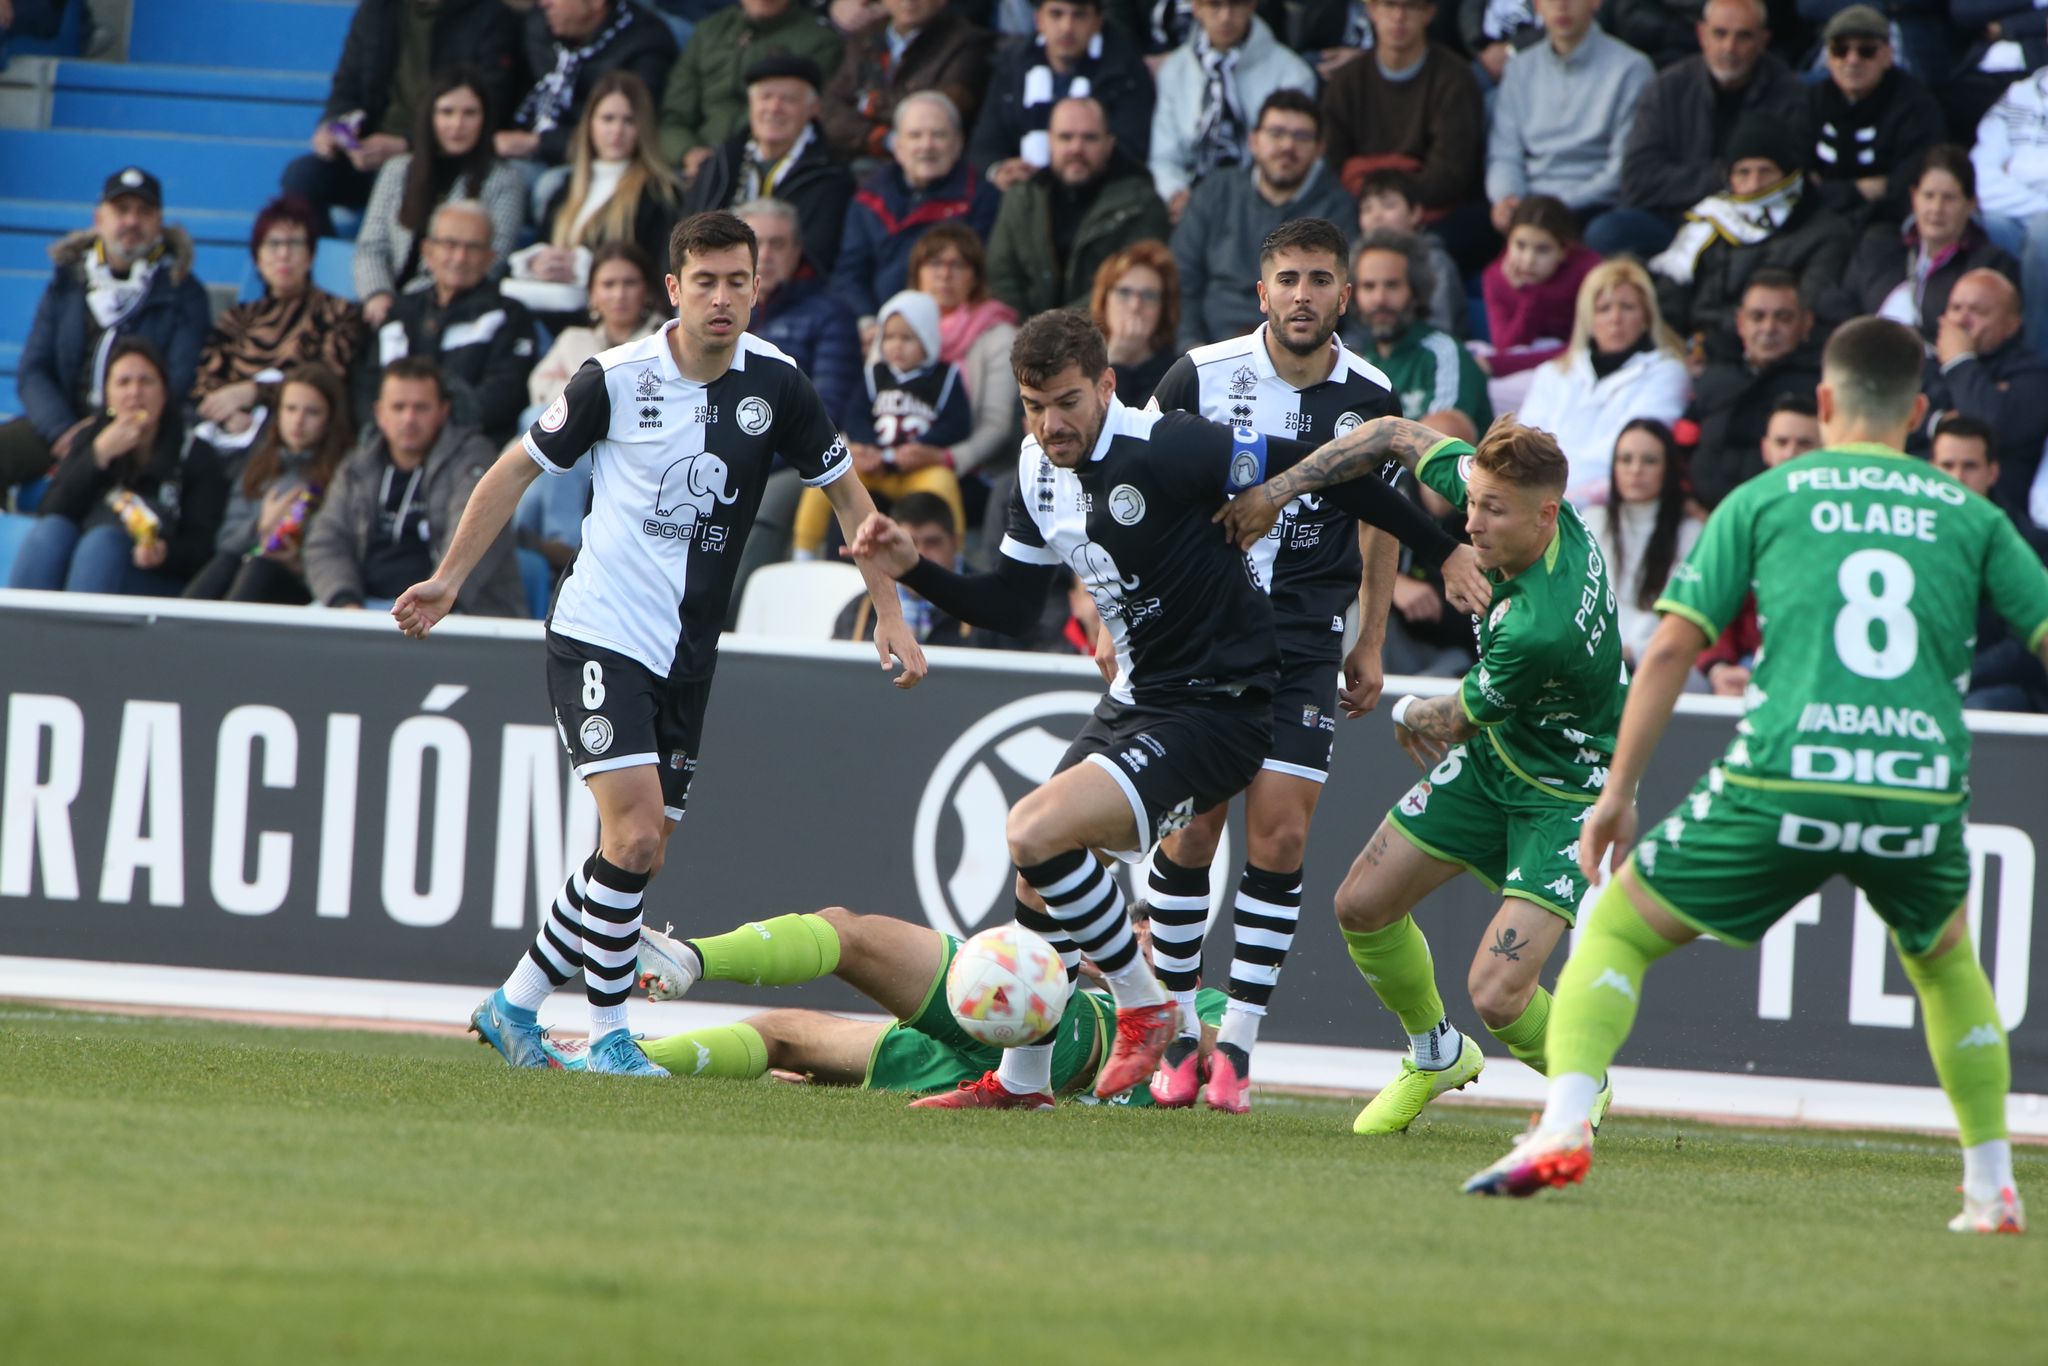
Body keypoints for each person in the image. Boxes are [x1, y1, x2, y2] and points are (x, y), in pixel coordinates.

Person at [1465, 319, 2048, 1239]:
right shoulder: (1971, 513)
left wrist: (1617, 793)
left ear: (1822, 404)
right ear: (1922, 412)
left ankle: (1563, 1127)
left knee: (1614, 929)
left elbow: (1669, 651)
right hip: (1917, 789)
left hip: (1784, 777)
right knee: (1946, 965)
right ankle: (1991, 1188)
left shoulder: (1770, 496)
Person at [849, 308, 1476, 1108]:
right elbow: (1009, 604)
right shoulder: (1034, 471)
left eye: (1068, 401)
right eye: (1035, 405)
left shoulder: (1175, 445)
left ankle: (1146, 1003)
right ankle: (1024, 1082)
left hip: (1223, 710)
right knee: (1038, 880)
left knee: (1034, 830)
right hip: (1139, 699)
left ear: (1108, 386)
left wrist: (1444, 544)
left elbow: (1336, 473)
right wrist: (915, 569)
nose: (1051, 423)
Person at [406, 211, 926, 1077]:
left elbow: (850, 501)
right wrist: (451, 577)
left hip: (689, 655)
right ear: (674, 290)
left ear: (759, 288)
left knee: (631, 849)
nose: (722, 299)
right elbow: (514, 468)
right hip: (601, 632)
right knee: (638, 836)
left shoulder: (781, 385)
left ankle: (515, 1003)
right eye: (705, 282)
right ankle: (612, 1036)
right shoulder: (613, 378)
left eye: (738, 281)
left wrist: (892, 613)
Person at [1141, 218, 1491, 1109]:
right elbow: (1137, 487)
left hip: (1303, 638)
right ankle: (1181, 1032)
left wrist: (1370, 635)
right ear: (1262, 293)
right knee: (1192, 831)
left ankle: (1241, 1048)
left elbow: (1377, 520)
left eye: (1320, 280)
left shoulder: (1370, 392)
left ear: (1344, 296)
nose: (1303, 294)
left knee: (1283, 835)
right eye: (1287, 279)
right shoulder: (1200, 374)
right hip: (1201, 632)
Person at [1216, 412, 1626, 1137]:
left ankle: (1582, 1078)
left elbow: (1453, 720)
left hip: (1566, 792)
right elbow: (1387, 435)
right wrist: (1278, 490)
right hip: (1501, 759)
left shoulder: (1540, 624)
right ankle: (1435, 1051)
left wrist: (1405, 709)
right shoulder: (1506, 495)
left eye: (1492, 512)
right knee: (1360, 905)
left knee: (1498, 993)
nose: (1471, 525)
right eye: (1472, 502)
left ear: (1547, 515)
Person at [562, 906, 1227, 1104]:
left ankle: (693, 959)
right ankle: (620, 1057)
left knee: (844, 932)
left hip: (1074, 1039)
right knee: (782, 1038)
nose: (1136, 945)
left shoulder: (1197, 1001)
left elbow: (1214, 1058)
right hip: (975, 1070)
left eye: (1149, 936)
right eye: (1129, 933)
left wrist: (1141, 991)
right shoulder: (1073, 975)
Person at [2, 167, 211, 498]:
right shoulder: (67, 283)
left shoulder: (182, 292)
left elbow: (179, 379)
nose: (131, 221)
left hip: (140, 434)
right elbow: (33, 369)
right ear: (99, 218)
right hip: (65, 424)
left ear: (159, 223)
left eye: (143, 212)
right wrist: (64, 429)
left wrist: (108, 431)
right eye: (121, 210)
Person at [282, 0, 521, 240]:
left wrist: (406, 144)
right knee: (302, 175)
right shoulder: (376, 10)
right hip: (368, 152)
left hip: (438, 158)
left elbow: (490, 106)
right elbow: (347, 83)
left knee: (402, 180)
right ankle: (318, 266)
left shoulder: (489, 16)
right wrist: (335, 126)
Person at [7, 339, 226, 596]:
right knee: (51, 532)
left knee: (103, 544)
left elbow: (203, 550)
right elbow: (52, 510)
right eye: (123, 383)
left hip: (158, 580)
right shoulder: (91, 438)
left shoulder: (195, 453)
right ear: (108, 397)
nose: (135, 392)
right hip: (89, 568)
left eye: (146, 381)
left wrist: (165, 553)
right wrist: (98, 456)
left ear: (164, 392)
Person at [306, 357, 521, 614]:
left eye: (421, 408)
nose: (409, 418)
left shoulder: (474, 459)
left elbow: (476, 537)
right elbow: (325, 540)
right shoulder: (356, 466)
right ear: (380, 414)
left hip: (450, 612)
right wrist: (346, 603)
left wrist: (427, 608)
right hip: (362, 607)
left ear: (444, 411)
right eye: (398, 407)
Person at [1607, 0, 1805, 262]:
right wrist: (1724, 178)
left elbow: (1790, 180)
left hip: (1755, 225)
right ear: (1701, 34)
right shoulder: (1667, 88)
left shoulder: (1789, 93)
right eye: (1720, 33)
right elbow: (1637, 179)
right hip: (1671, 219)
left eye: (1743, 36)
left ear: (1763, 40)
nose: (1729, 48)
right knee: (1609, 231)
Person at [517, 242, 666, 570]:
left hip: (625, 452)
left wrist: (572, 389)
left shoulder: (663, 341)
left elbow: (635, 406)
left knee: (551, 433)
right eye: (609, 285)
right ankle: (537, 543)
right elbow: (537, 390)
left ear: (649, 290)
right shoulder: (572, 338)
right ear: (593, 295)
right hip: (574, 448)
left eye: (630, 283)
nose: (619, 294)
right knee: (539, 423)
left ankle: (549, 540)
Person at [792, 289, 972, 556]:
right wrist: (868, 446)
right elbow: (856, 416)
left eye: (907, 338)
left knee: (943, 483)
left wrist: (925, 447)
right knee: (826, 474)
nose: (897, 345)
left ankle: (955, 553)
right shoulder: (874, 374)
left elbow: (958, 422)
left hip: (917, 468)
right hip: (873, 466)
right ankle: (804, 550)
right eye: (889, 337)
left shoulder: (946, 377)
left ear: (928, 339)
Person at [1173, 91, 1357, 351]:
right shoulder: (1215, 192)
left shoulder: (1338, 207)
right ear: (1254, 141)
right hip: (1214, 346)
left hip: (1305, 352)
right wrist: (1190, 346)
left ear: (1319, 149)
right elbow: (1182, 279)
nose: (1287, 146)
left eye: (1301, 137)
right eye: (1276, 133)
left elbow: (1354, 290)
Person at [1648, 117, 1856, 342]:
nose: (1755, 184)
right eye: (1743, 172)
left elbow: (1807, 311)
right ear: (1729, 178)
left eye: (1765, 171)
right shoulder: (1708, 222)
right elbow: (1670, 297)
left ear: (1788, 174)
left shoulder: (1824, 234)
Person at [353, 69, 527, 329]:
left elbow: (493, 259)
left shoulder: (504, 179)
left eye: (470, 113)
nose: (457, 124)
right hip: (387, 305)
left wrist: (413, 304)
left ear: (485, 118)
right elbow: (371, 247)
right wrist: (378, 295)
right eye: (447, 112)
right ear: (429, 116)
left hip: (457, 308)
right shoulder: (398, 170)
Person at [356, 201, 541, 445]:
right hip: (392, 446)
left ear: (490, 257)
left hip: (469, 450)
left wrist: (424, 427)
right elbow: (368, 387)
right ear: (427, 251)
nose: (460, 257)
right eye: (450, 244)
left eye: (473, 247)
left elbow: (504, 396)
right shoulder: (400, 311)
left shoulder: (510, 315)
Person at [510, 71, 682, 329]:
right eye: (608, 119)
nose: (616, 130)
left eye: (628, 121)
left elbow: (656, 270)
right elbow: (544, 242)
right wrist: (539, 262)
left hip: (618, 327)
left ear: (642, 127)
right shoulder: (564, 189)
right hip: (553, 313)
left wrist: (584, 267)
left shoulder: (658, 193)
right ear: (590, 124)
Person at [190, 197, 363, 451]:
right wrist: (228, 415)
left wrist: (255, 392)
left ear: (311, 255)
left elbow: (328, 382)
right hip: (231, 433)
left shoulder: (338, 313)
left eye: (294, 244)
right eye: (273, 244)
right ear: (257, 257)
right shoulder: (238, 318)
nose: (283, 254)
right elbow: (205, 382)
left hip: (303, 441)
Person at [1516, 258, 1691, 507]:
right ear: (1588, 318)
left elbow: (1633, 450)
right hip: (1538, 500)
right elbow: (1524, 446)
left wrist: (1560, 500)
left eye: (1627, 307)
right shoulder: (1551, 373)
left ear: (1646, 316)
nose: (1615, 318)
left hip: (1611, 504)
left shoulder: (1668, 372)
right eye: (1603, 308)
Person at [830, 92, 1002, 337]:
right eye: (915, 135)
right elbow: (849, 274)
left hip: (956, 332)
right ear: (897, 146)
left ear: (958, 143)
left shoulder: (982, 198)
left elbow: (985, 275)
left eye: (938, 135)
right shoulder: (868, 198)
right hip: (877, 330)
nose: (926, 145)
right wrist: (867, 321)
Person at [986, 97, 1172, 319]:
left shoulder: (1141, 203)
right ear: (1049, 142)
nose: (1076, 148)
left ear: (1109, 143)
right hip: (1023, 334)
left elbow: (1130, 281)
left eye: (1089, 138)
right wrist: (1028, 333)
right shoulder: (1022, 197)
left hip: (1107, 334)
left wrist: (1058, 329)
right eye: (1066, 137)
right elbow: (1001, 276)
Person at [1485, 0, 1654, 244]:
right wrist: (1508, 197)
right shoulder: (1519, 69)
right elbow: (1504, 153)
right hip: (1526, 205)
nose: (1562, 5)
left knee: (1603, 233)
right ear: (1536, 5)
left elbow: (1621, 170)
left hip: (1592, 206)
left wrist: (1550, 208)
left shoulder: (1631, 69)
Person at [182, 366, 354, 605]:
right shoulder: (261, 462)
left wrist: (297, 560)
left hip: (302, 583)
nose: (298, 421)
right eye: (291, 409)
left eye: (312, 412)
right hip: (244, 567)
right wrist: (261, 527)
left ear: (330, 419)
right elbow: (226, 538)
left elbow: (336, 546)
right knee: (224, 564)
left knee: (258, 568)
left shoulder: (342, 473)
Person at [676, 54, 857, 273]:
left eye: (788, 99)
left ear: (814, 108)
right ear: (751, 104)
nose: (774, 107)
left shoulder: (831, 176)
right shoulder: (721, 162)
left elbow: (817, 260)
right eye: (765, 97)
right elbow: (681, 238)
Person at [1692, 394, 1817, 696]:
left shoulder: (1845, 523)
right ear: (1765, 449)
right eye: (1782, 442)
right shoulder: (1740, 516)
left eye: (1804, 444)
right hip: (1738, 669)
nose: (1790, 454)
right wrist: (1719, 667)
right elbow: (1711, 606)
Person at [1317, 0, 1484, 225]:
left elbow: (1449, 176)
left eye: (1411, 6)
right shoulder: (1347, 81)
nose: (1399, 16)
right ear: (1371, 10)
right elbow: (1333, 164)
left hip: (1431, 215)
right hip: (1357, 210)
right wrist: (1400, 177)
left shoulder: (1455, 80)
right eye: (1389, 5)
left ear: (1429, 13)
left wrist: (1383, 194)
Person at [1147, 0, 1316, 218]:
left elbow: (1296, 157)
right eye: (1214, 5)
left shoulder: (1293, 73)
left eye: (1236, 4)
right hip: (1190, 204)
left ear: (1252, 5)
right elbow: (1165, 157)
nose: (1226, 16)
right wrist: (1175, 193)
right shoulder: (1174, 70)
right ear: (1197, 8)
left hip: (1265, 204)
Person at [1929, 415, 2048, 714]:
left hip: (2000, 690)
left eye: (1969, 466)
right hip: (1929, 680)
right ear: (1931, 470)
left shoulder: (2032, 544)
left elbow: (2024, 651)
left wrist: (1958, 678)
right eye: (1947, 466)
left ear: (1992, 472)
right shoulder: (1910, 538)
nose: (1957, 478)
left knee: (1977, 707)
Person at [969, 0, 1154, 189]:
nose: (1067, 27)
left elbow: (1132, 149)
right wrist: (1000, 170)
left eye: (1079, 15)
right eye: (1056, 14)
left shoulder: (1125, 68)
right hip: (1023, 195)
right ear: (1038, 19)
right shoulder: (1012, 65)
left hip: (1100, 193)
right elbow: (985, 142)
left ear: (1097, 22)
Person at [1843, 146, 2020, 342]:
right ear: (1914, 197)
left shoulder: (1990, 266)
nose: (1936, 208)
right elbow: (1843, 306)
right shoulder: (1878, 245)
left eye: (1949, 198)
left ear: (1971, 204)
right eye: (1928, 196)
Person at [1683, 268, 1822, 509]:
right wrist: (1684, 500)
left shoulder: (1821, 386)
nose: (1769, 328)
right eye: (1757, 317)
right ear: (1740, 323)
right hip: (1698, 519)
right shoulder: (1713, 378)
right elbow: (1680, 443)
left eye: (1783, 317)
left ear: (1806, 322)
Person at [658, 0, 845, 174]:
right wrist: (689, 152)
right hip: (697, 165)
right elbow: (674, 116)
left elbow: (802, 117)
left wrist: (727, 160)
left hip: (771, 162)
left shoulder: (820, 41)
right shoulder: (709, 31)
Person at [1918, 268, 2048, 510]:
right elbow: (1901, 422)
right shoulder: (1926, 366)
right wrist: (1938, 422)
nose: (1962, 320)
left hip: (2001, 518)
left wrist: (1960, 361)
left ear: (2011, 326)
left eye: (1978, 311)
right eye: (1955, 308)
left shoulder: (2033, 374)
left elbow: (1991, 427)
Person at [1343, 229, 1491, 440]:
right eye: (1368, 286)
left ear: (1415, 290)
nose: (1379, 299)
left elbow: (1445, 437)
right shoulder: (1358, 362)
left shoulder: (1444, 352)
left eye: (1392, 285)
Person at [498, 0, 679, 171]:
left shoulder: (645, 43)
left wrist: (539, 143)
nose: (544, 3)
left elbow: (632, 130)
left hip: (592, 161)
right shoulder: (540, 25)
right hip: (522, 147)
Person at [1803, 6, 1943, 226]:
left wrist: (1826, 189)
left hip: (1887, 224)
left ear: (1887, 55)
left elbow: (1907, 186)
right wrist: (1860, 189)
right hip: (1815, 220)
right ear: (1828, 57)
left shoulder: (1916, 107)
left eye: (1866, 51)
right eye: (1841, 50)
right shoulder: (1809, 100)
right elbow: (1794, 180)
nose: (1852, 60)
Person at [906, 224, 1021, 485]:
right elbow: (867, 402)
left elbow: (996, 426)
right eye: (934, 263)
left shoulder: (1000, 336)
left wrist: (946, 458)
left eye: (958, 265)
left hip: (969, 471)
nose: (945, 274)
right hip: (892, 460)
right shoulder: (897, 325)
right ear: (917, 273)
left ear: (976, 277)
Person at [1581, 419, 1701, 667]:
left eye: (1649, 460)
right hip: (1591, 663)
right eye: (1625, 459)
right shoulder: (1591, 522)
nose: (1635, 469)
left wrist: (1633, 652)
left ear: (1668, 468)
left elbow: (1687, 619)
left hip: (1657, 664)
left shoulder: (1691, 533)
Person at [820, 0, 996, 162]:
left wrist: (870, 103)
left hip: (932, 161)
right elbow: (830, 108)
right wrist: (881, 139)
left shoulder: (968, 42)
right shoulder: (866, 37)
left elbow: (941, 109)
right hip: (861, 158)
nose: (908, 1)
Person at [832, 493, 1008, 646]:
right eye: (907, 542)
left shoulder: (991, 605)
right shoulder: (860, 611)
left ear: (956, 542)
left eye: (932, 542)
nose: (919, 553)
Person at [1477, 195, 1599, 412]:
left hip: (1574, 365)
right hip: (1524, 361)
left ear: (1564, 250)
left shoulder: (1589, 272)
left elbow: (1583, 347)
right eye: (1520, 245)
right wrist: (1528, 297)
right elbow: (1507, 345)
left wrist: (1497, 364)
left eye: (1542, 249)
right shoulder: (1496, 276)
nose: (1528, 259)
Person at [1973, 66, 2048, 351]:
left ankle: (2037, 363)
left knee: (2043, 236)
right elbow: (1979, 178)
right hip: (2014, 223)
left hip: (2036, 229)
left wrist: (2016, 167)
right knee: (1963, 218)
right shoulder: (2019, 95)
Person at [1354, 169, 1465, 341]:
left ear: (1415, 213)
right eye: (1367, 209)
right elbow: (1355, 330)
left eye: (1388, 205)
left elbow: (1440, 329)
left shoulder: (1436, 263)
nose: (1376, 216)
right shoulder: (1358, 262)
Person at [1091, 239, 1179, 405]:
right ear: (1104, 299)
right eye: (1124, 293)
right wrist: (1113, 360)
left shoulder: (1175, 373)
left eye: (1149, 296)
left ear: (1164, 307)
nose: (1135, 306)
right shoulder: (1080, 360)